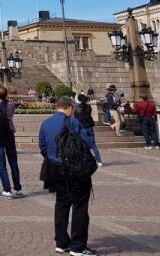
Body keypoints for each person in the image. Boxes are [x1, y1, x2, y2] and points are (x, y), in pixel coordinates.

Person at [39, 96, 99, 256]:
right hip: (74, 169)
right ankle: (78, 246)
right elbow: (87, 142)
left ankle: (61, 243)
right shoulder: (72, 122)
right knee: (79, 205)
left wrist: (54, 157)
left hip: (54, 168)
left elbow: (42, 146)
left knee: (61, 204)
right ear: (70, 108)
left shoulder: (46, 123)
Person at [74, 94, 103, 167]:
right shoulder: (88, 106)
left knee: (81, 145)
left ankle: (82, 161)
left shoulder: (76, 108)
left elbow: (76, 118)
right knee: (93, 145)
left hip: (81, 127)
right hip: (89, 126)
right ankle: (99, 161)